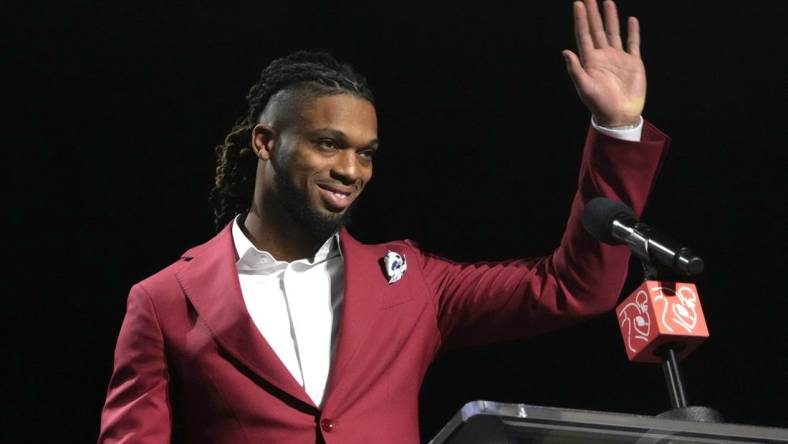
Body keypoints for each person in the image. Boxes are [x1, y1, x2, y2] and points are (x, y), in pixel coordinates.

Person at [98, 1, 670, 442]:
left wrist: (617, 130)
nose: (351, 170)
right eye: (329, 144)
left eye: (366, 153)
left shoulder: (409, 284)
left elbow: (573, 288)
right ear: (266, 142)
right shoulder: (165, 300)